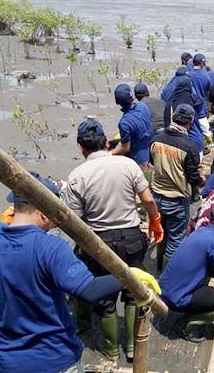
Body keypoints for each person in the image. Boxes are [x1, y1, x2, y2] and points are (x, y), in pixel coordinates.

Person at [0, 172, 161, 372]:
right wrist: (129, 275)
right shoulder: (50, 248)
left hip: (7, 361)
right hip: (54, 358)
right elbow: (89, 289)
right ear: (43, 212)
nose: (56, 220)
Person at [66, 118, 164, 362]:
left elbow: (75, 223)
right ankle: (131, 347)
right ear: (107, 141)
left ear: (80, 147)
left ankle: (111, 352)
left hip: (99, 244)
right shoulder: (127, 165)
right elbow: (148, 199)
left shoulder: (76, 176)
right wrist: (154, 220)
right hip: (131, 238)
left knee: (105, 300)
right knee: (133, 292)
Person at [150, 104, 205, 270]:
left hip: (157, 196)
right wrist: (201, 179)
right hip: (177, 198)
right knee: (176, 239)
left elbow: (152, 162)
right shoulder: (189, 147)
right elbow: (194, 178)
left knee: (161, 234)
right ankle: (168, 275)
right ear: (191, 121)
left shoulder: (156, 140)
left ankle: (159, 266)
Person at [111, 83, 153, 170]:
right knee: (147, 181)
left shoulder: (124, 123)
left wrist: (110, 154)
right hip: (149, 152)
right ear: (132, 96)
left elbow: (125, 148)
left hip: (137, 160)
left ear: (117, 102)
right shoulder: (143, 106)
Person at [189, 54, 214, 152]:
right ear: (202, 63)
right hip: (201, 106)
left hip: (190, 104)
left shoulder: (188, 74)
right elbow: (210, 91)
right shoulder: (205, 76)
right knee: (204, 127)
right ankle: (208, 144)